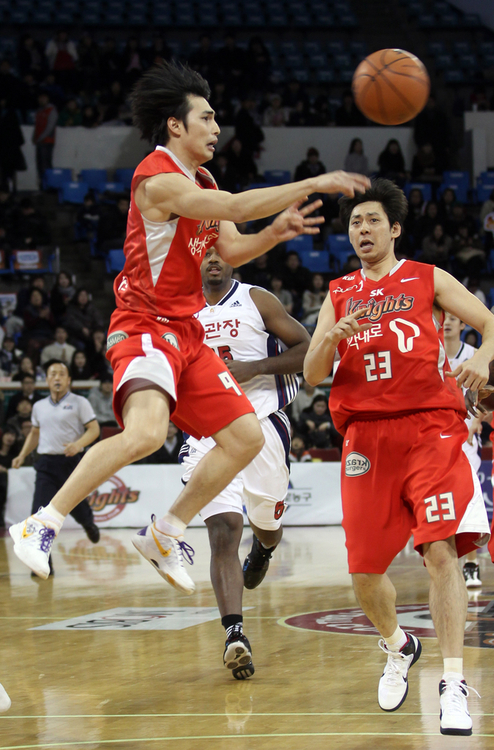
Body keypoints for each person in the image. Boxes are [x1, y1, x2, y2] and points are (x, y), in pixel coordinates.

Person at [10, 60, 369, 590]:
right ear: (176, 125)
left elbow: (230, 247)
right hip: (143, 324)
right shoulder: (156, 179)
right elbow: (229, 205)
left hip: (187, 332)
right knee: (148, 432)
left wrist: (274, 233)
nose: (217, 127)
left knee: (246, 438)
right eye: (207, 117)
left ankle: (165, 531)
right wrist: (313, 181)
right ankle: (41, 523)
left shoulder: (202, 178)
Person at [304, 178, 493, 736]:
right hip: (365, 439)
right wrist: (329, 338)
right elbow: (314, 375)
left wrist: (483, 358)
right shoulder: (338, 292)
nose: (361, 230)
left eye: (370, 221)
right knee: (364, 572)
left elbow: (489, 322)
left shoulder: (427, 278)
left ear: (394, 228)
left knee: (440, 551)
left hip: (430, 428)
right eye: (354, 223)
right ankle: (397, 646)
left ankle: (452, 682)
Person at [180, 247, 309, 679]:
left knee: (266, 524)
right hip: (206, 433)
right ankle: (235, 633)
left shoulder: (257, 300)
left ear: (233, 260)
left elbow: (307, 350)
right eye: (206, 254)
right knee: (223, 529)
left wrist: (255, 367)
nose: (213, 259)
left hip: (262, 426)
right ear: (194, 261)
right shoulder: (179, 309)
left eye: (221, 253)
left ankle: (266, 548)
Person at [12, 360, 101, 576]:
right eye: (53, 374)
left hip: (72, 463)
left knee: (77, 507)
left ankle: (88, 523)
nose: (57, 378)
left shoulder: (80, 402)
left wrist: (78, 444)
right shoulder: (38, 406)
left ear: (69, 380)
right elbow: (34, 433)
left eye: (62, 374)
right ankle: (43, 563)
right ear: (47, 380)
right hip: (46, 464)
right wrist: (22, 455)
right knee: (40, 512)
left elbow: (94, 429)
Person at [443, 313, 488, 588]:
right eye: (443, 318)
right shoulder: (428, 350)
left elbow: (488, 394)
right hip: (433, 432)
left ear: (463, 324)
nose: (447, 322)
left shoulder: (475, 355)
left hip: (465, 435)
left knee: (467, 497)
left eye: (453, 318)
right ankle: (445, 564)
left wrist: (475, 422)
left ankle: (471, 564)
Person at [32, 91, 57, 185]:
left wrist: (39, 138)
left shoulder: (51, 110)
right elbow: (37, 126)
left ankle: (49, 186)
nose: (42, 99)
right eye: (40, 97)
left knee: (45, 165)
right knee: (40, 165)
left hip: (47, 141)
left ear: (47, 98)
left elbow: (50, 127)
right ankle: (43, 186)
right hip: (40, 142)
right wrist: (34, 137)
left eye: (44, 97)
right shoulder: (39, 111)